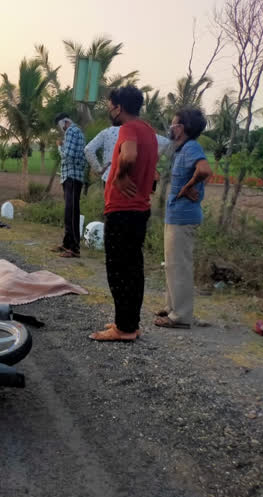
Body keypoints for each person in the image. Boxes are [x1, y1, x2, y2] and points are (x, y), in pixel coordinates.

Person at [90, 86, 159, 341]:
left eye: (110, 105)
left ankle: (124, 329)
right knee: (133, 269)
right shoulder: (149, 131)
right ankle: (129, 322)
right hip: (139, 210)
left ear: (119, 107)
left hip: (123, 210)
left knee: (118, 269)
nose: (110, 109)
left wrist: (119, 176)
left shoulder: (128, 129)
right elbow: (152, 166)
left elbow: (129, 155)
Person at [154, 108, 212, 329]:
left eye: (174, 123)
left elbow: (205, 170)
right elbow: (206, 174)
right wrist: (192, 186)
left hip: (184, 217)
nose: (171, 127)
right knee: (172, 264)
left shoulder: (191, 147)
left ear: (183, 128)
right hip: (176, 215)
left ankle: (181, 316)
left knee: (180, 266)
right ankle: (172, 307)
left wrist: (188, 187)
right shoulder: (181, 149)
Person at [85, 126, 172, 182]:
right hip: (134, 180)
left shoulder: (107, 132)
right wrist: (156, 168)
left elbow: (88, 149)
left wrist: (98, 169)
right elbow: (167, 143)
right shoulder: (141, 132)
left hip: (110, 179)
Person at [53, 112, 86, 258]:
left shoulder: (72, 131)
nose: (61, 130)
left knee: (72, 212)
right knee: (69, 212)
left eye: (60, 126)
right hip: (71, 176)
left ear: (64, 122)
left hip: (72, 176)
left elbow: (68, 155)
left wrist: (60, 147)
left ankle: (74, 248)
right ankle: (67, 244)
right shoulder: (75, 131)